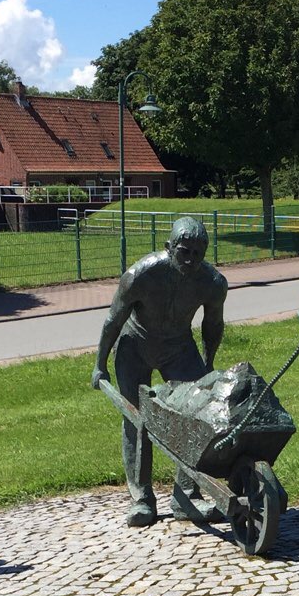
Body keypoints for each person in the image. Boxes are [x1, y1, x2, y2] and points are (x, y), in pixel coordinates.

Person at [91, 216, 228, 526]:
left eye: (198, 253)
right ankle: (141, 499)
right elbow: (113, 320)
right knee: (136, 420)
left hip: (179, 347)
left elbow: (212, 325)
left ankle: (186, 495)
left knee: (196, 416)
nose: (191, 260)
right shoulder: (139, 275)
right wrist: (99, 365)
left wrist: (207, 364)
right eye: (184, 251)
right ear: (169, 248)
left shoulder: (213, 283)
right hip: (134, 345)